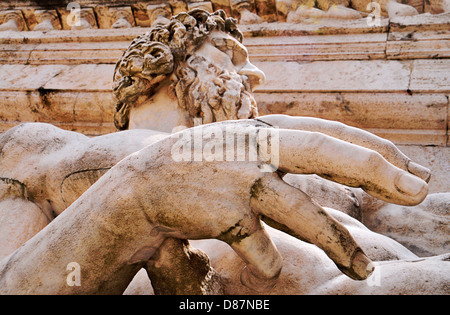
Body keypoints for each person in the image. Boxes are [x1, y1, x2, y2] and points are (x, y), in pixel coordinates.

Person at [0, 9, 446, 295]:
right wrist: (137, 196)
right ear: (158, 63)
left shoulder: (312, 176)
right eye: (229, 53)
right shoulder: (45, 151)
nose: (256, 76)